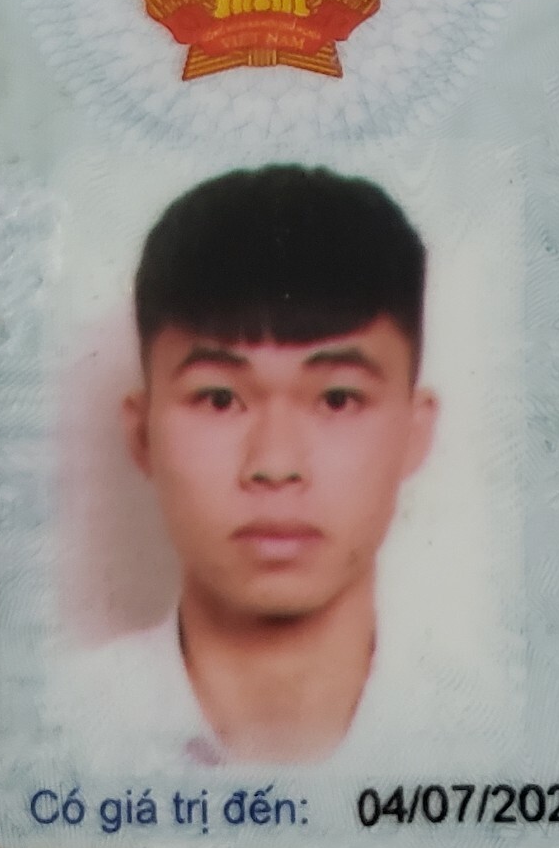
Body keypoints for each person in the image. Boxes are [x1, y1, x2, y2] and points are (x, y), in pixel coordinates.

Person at [62, 165, 438, 768]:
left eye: (338, 399)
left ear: (416, 433)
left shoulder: (497, 737)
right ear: (141, 434)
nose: (276, 465)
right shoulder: (51, 738)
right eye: (219, 399)